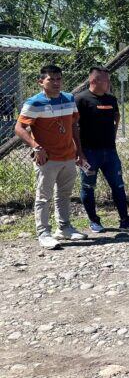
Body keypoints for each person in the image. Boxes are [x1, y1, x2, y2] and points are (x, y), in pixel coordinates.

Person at [14, 65, 88, 249]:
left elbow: (74, 127)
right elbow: (19, 128)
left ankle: (64, 228)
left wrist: (79, 151)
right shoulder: (34, 102)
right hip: (47, 159)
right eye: (51, 79)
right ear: (41, 82)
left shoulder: (69, 99)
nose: (56, 83)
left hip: (68, 156)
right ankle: (44, 233)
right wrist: (36, 147)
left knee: (64, 194)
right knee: (43, 197)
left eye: (58, 79)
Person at [76, 66, 129, 232]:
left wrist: (112, 137)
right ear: (93, 81)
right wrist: (79, 152)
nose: (109, 83)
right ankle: (94, 221)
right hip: (89, 153)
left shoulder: (111, 99)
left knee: (118, 185)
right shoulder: (80, 100)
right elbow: (73, 127)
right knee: (88, 187)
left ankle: (125, 220)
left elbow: (116, 118)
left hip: (110, 152)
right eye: (105, 80)